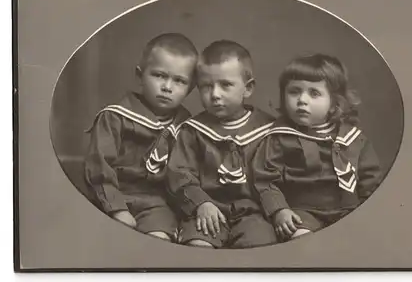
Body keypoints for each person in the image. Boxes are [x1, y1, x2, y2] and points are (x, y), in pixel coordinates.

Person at [251, 53, 383, 241]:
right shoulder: (279, 137)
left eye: (314, 93)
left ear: (334, 104)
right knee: (301, 238)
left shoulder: (353, 138)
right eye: (294, 91)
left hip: (349, 210)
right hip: (303, 212)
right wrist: (279, 209)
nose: (302, 100)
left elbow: (371, 180)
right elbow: (264, 180)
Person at [84, 33, 198, 241]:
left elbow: (185, 173)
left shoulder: (186, 126)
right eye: (159, 75)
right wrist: (117, 209)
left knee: (159, 239)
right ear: (140, 75)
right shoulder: (115, 116)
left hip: (157, 203)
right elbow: (99, 167)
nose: (167, 87)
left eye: (179, 81)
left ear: (190, 89)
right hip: (114, 194)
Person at [165, 40, 277, 249]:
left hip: (254, 213)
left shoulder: (269, 129)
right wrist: (201, 203)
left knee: (259, 246)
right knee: (198, 245)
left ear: (248, 88)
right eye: (206, 86)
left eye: (225, 85)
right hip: (206, 209)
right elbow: (179, 174)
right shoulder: (192, 130)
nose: (215, 94)